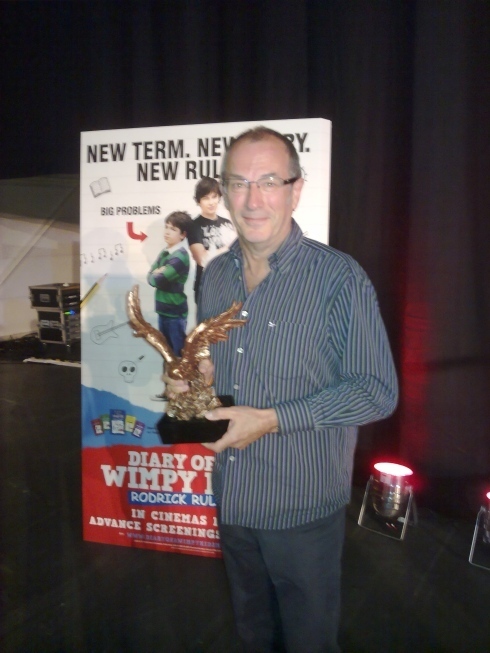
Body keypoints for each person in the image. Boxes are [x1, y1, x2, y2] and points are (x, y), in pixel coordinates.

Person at [165, 127, 398, 652]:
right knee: (253, 632)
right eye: (239, 183)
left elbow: (377, 390)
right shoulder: (216, 276)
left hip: (301, 507)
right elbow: (216, 364)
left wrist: (272, 419)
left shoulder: (338, 278)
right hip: (233, 495)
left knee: (308, 639)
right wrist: (192, 378)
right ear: (224, 192)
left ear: (296, 190)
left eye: (269, 181)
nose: (253, 199)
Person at [147, 210, 191, 358]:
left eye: (173, 229)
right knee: (166, 355)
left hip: (175, 313)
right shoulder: (164, 252)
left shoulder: (180, 257)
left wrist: (157, 273)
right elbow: (149, 278)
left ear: (183, 235)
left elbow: (158, 280)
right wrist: (156, 273)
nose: (167, 232)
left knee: (177, 356)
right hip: (163, 311)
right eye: (166, 227)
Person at [187, 176, 236, 302]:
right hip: (207, 288)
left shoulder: (227, 223)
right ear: (198, 201)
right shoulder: (193, 226)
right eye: (206, 198)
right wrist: (230, 247)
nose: (211, 202)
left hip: (230, 286)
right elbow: (203, 259)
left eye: (214, 197)